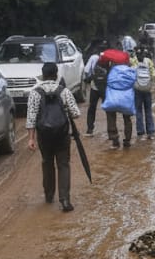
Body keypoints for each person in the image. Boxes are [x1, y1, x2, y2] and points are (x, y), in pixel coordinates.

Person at [26, 62, 80, 212]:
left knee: (47, 162)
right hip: (62, 134)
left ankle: (49, 195)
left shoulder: (35, 93)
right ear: (56, 75)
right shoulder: (64, 91)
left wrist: (31, 138)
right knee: (63, 164)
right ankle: (65, 200)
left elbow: (31, 118)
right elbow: (76, 113)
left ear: (43, 76)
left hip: (44, 135)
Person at [102, 57, 136, 148]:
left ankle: (115, 140)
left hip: (113, 99)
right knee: (127, 119)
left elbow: (107, 82)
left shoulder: (112, 71)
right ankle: (127, 140)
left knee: (110, 116)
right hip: (126, 99)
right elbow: (134, 82)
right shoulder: (130, 71)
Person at [82, 41, 110, 136]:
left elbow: (86, 70)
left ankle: (90, 130)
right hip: (105, 87)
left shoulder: (94, 57)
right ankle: (111, 131)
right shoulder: (110, 58)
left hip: (94, 87)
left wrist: (90, 79)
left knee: (92, 108)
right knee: (108, 108)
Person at [134, 49, 155, 139]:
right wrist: (150, 84)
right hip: (147, 90)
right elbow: (154, 75)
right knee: (148, 111)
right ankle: (150, 132)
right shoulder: (148, 61)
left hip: (137, 90)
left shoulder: (133, 61)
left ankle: (140, 132)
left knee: (138, 111)